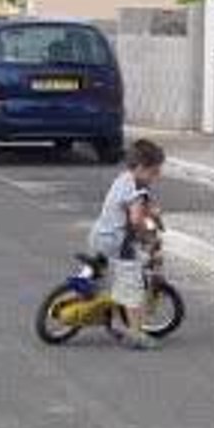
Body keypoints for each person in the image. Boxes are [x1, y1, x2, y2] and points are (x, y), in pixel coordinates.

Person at [88, 139, 166, 350]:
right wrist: (149, 236)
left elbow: (141, 205)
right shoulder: (138, 193)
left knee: (113, 281)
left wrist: (153, 212)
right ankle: (136, 334)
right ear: (141, 168)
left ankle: (113, 319)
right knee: (133, 287)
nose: (157, 177)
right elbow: (136, 219)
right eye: (154, 172)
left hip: (99, 235)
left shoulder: (124, 179)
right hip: (117, 243)